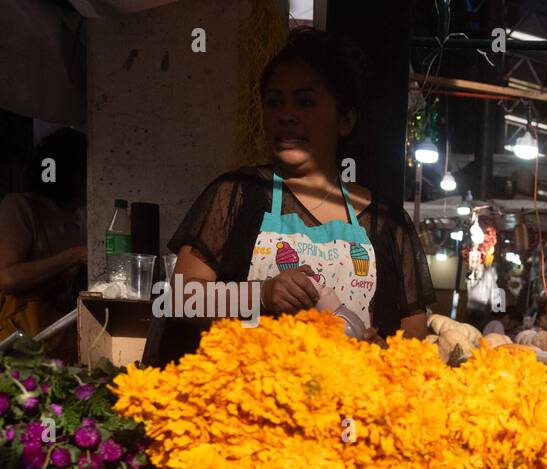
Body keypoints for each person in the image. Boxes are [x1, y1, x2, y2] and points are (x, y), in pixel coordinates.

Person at [157, 29, 436, 363]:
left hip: (345, 405)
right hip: (247, 400)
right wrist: (261, 295)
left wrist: (382, 354)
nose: (286, 115)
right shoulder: (237, 194)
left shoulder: (387, 224)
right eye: (274, 102)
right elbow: (183, 298)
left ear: (345, 119)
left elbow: (414, 333)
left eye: (305, 101)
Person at [0, 127, 86, 359]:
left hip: (57, 338)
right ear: (75, 175)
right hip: (19, 344)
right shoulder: (19, 207)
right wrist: (74, 256)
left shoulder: (77, 219)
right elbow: (8, 278)